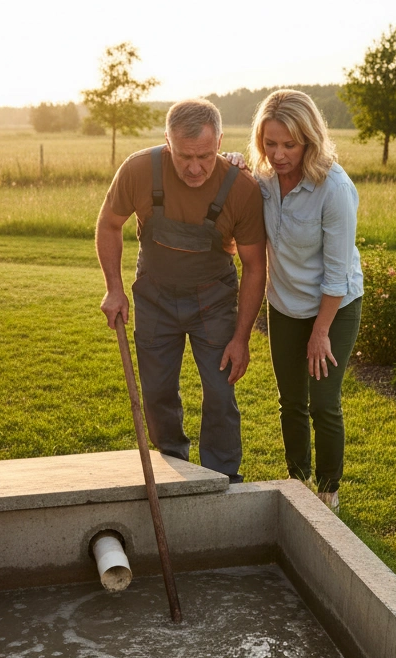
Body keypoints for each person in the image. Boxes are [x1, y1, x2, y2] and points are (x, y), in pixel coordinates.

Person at [96, 99, 267, 482]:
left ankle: (221, 478)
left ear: (220, 141)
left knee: (221, 395)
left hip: (214, 300)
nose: (194, 168)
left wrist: (241, 337)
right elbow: (109, 224)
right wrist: (114, 289)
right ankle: (174, 466)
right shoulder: (139, 170)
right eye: (183, 156)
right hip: (154, 296)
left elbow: (256, 265)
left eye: (205, 156)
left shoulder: (240, 188)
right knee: (157, 394)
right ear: (167, 142)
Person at [230, 90, 363, 511]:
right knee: (291, 401)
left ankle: (328, 492)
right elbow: (236, 237)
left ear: (309, 140)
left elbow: (338, 273)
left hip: (334, 306)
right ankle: (297, 480)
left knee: (323, 401)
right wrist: (230, 174)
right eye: (270, 143)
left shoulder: (335, 188)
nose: (279, 153)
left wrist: (320, 332)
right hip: (285, 304)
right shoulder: (263, 180)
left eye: (289, 144)